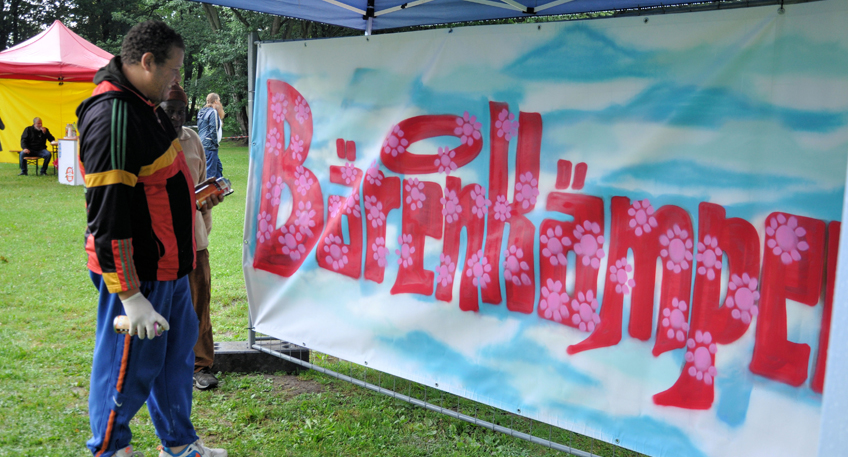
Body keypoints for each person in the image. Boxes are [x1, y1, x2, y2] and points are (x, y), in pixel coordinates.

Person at [76, 20, 226, 457]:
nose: (178, 80)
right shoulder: (114, 115)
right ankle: (109, 449)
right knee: (126, 370)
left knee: (174, 363)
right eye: (174, 70)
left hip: (171, 267)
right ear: (146, 62)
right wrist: (129, 295)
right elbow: (107, 215)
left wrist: (195, 198)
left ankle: (179, 445)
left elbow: (157, 185)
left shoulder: (143, 105)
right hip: (140, 273)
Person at [160, 83, 222, 390]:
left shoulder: (193, 138)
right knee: (162, 304)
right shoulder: (149, 139)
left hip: (195, 240)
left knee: (199, 302)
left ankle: (201, 365)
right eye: (168, 110)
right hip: (160, 243)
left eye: (180, 111)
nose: (174, 116)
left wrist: (206, 208)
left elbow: (200, 185)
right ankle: (166, 363)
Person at [197, 93, 223, 180]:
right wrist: (215, 143)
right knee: (210, 171)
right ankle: (208, 191)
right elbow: (213, 129)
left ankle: (221, 187)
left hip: (202, 143)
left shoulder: (201, 111)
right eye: (219, 100)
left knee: (218, 167)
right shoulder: (213, 112)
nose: (219, 102)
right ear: (215, 101)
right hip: (210, 144)